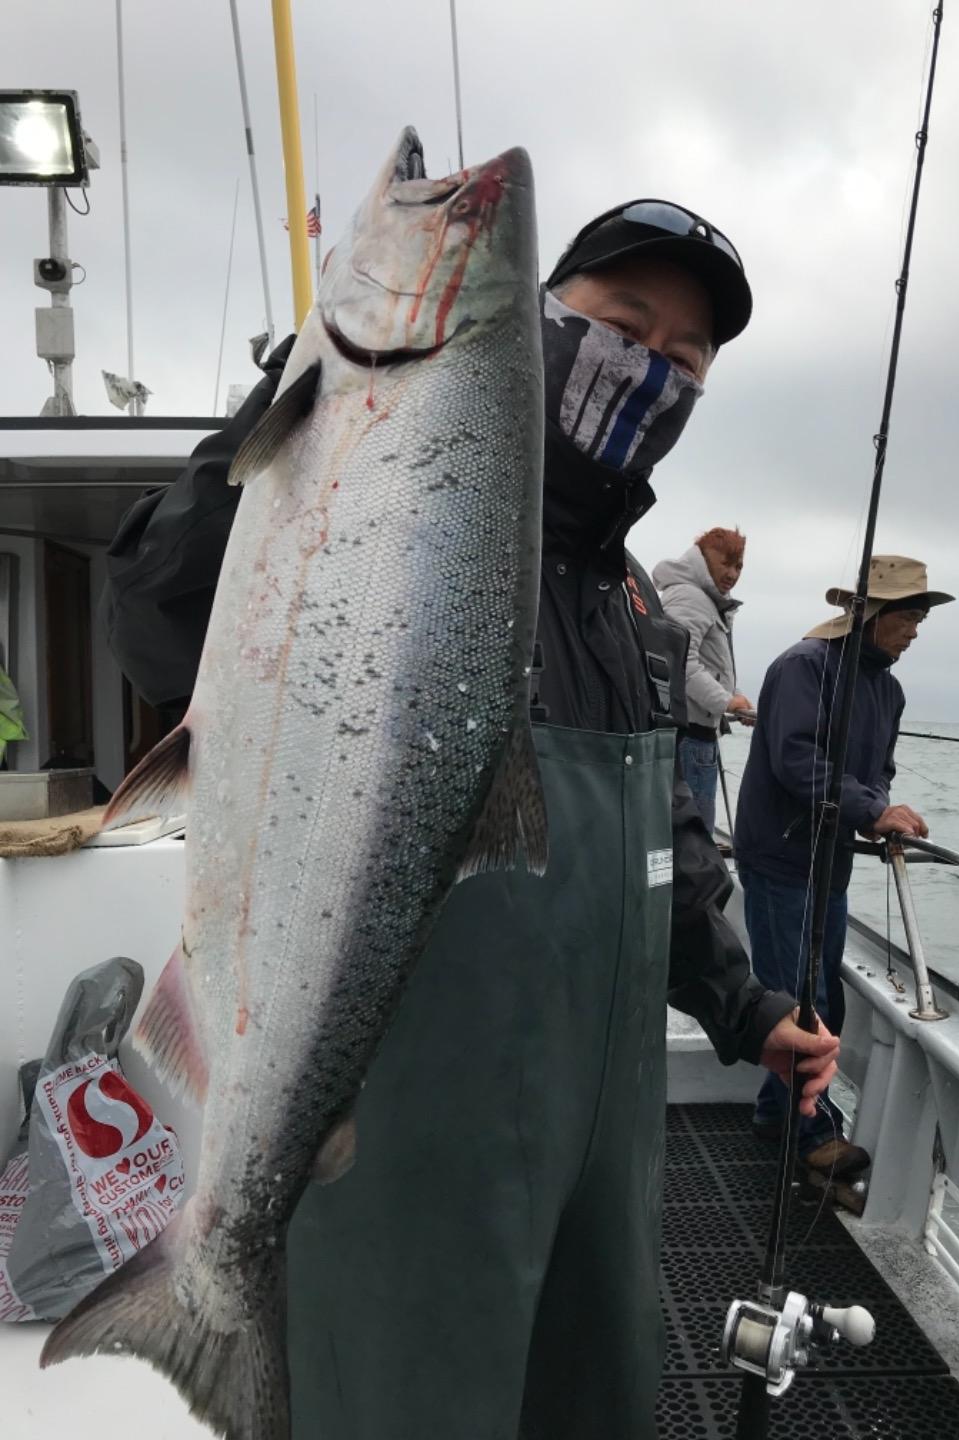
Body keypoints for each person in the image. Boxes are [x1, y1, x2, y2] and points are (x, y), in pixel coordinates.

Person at [101, 198, 840, 1440]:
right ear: (535, 325)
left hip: (598, 1189)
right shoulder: (372, 518)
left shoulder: (633, 618)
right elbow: (152, 609)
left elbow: (666, 851)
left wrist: (749, 1009)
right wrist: (298, 409)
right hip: (403, 1167)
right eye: (622, 324)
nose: (650, 367)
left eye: (686, 359)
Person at [734, 555, 952, 1181]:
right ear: (872, 615)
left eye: (919, 619)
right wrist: (870, 809)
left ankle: (780, 1117)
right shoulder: (803, 668)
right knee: (800, 998)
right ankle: (812, 1138)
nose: (914, 630)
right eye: (907, 616)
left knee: (824, 993)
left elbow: (877, 768)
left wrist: (880, 806)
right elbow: (794, 759)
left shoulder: (889, 688)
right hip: (780, 854)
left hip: (829, 862)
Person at [653, 526, 754, 835]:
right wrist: (726, 701)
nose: (733, 573)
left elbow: (705, 665)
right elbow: (680, 663)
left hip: (694, 735)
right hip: (691, 737)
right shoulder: (692, 597)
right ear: (702, 559)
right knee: (694, 837)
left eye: (738, 566)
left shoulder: (701, 598)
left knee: (691, 834)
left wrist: (735, 697)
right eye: (726, 562)